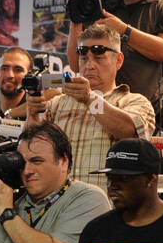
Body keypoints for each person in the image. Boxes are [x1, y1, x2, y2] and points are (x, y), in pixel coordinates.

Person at [26, 25, 155, 192]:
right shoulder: (56, 104)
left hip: (108, 210)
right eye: (84, 58)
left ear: (118, 61)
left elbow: (131, 133)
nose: (90, 65)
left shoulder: (135, 102)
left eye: (99, 57)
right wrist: (32, 116)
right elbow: (32, 150)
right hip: (61, 209)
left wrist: (90, 99)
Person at [0, 48, 33, 120]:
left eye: (18, 70)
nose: (10, 75)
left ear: (30, 77)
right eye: (4, 68)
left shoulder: (38, 112)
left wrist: (12, 113)